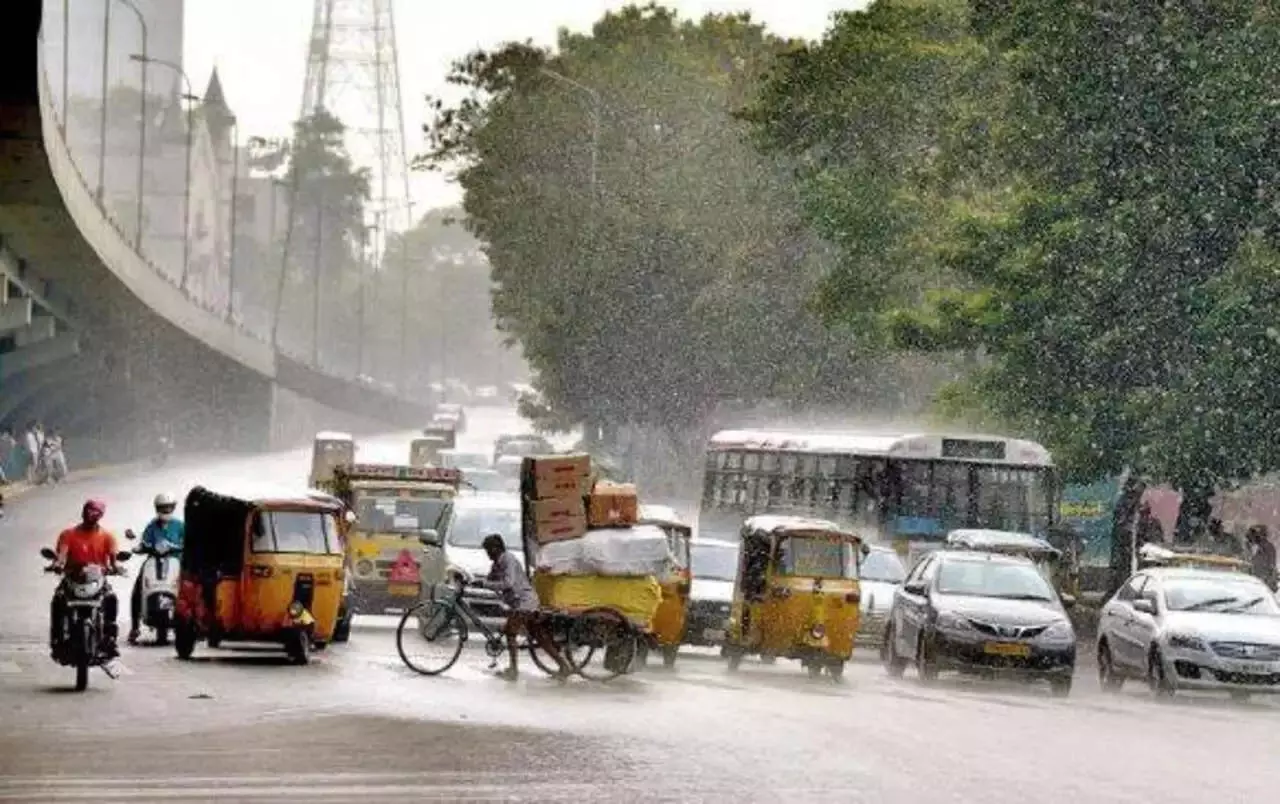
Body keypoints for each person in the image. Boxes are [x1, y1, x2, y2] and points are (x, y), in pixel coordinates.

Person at [475, 534, 569, 681]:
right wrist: (474, 582)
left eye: (488, 550)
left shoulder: (508, 559)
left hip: (524, 603)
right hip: (522, 603)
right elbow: (489, 579)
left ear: (496, 548)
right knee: (540, 637)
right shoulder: (497, 564)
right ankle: (563, 665)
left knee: (511, 632)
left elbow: (509, 583)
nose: (487, 554)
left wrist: (485, 584)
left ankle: (513, 670)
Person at [50, 499, 122, 658]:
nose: (92, 514)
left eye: (96, 512)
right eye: (90, 510)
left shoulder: (107, 537)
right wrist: (58, 564)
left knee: (111, 598)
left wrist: (116, 568)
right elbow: (62, 555)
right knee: (58, 600)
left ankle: (110, 638)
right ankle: (57, 638)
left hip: (97, 580)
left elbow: (113, 560)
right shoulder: (68, 534)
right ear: (83, 512)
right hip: (72, 578)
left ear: (101, 516)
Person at [127, 493, 185, 645]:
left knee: (191, 586)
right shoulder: (151, 526)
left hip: (176, 561)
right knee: (137, 589)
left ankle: (195, 623)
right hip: (153, 560)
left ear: (173, 508)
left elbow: (189, 542)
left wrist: (176, 547)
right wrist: (138, 548)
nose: (165, 511)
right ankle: (135, 627)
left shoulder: (179, 525)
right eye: (162, 508)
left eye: (168, 507)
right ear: (157, 508)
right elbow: (144, 542)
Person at [1247, 525, 1277, 591]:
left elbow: (1271, 565)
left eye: (1253, 533)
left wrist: (1270, 580)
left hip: (1261, 581)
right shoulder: (1248, 546)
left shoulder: (1268, 547)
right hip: (1251, 580)